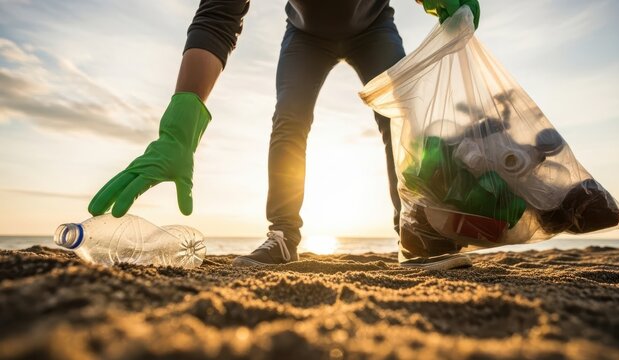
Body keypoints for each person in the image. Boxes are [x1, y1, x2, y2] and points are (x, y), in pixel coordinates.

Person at [88, 0, 480, 270]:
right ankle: (282, 235)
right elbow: (218, 17)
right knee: (289, 119)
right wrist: (180, 124)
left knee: (400, 116)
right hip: (305, 35)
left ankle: (414, 232)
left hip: (374, 27)